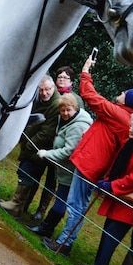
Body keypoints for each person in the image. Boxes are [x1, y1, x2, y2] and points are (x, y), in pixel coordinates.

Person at [43, 53, 133, 257]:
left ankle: (65, 243)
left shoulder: (119, 114)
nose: (121, 92)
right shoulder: (121, 116)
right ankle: (64, 240)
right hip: (90, 163)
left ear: (129, 100)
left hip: (90, 166)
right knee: (76, 202)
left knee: (76, 204)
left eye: (125, 92)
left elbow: (90, 96)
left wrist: (85, 72)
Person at [75, 113, 133, 265]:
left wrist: (113, 186)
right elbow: (118, 165)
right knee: (107, 232)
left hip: (130, 203)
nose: (130, 129)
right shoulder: (131, 143)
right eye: (132, 126)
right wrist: (108, 181)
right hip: (118, 196)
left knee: (111, 236)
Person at [26, 93, 92, 237]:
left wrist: (47, 154)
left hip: (71, 171)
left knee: (62, 199)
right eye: (62, 110)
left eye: (68, 110)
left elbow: (69, 151)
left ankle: (46, 228)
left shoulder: (78, 126)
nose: (65, 113)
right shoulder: (66, 120)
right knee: (60, 196)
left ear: (75, 107)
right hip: (64, 169)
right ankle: (46, 227)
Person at [0, 74, 60, 218]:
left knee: (27, 172)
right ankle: (19, 205)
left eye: (48, 89)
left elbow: (47, 133)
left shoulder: (56, 105)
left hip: (39, 148)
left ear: (53, 87)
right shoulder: (38, 99)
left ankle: (16, 205)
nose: (44, 93)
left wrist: (29, 144)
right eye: (41, 90)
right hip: (32, 144)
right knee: (27, 172)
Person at [32, 64, 85, 221]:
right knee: (36, 174)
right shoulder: (47, 94)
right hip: (47, 144)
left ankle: (41, 210)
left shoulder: (76, 99)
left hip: (61, 149)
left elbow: (75, 123)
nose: (62, 80)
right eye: (59, 77)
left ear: (71, 81)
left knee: (52, 181)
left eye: (65, 77)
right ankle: (25, 203)